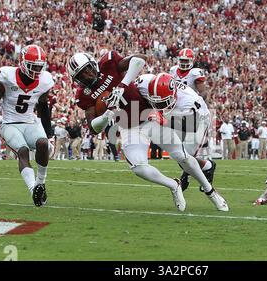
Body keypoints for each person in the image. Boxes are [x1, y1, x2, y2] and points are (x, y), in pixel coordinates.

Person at [67, 51, 189, 211]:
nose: (88, 75)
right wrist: (106, 115)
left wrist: (122, 85)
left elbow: (140, 59)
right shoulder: (84, 95)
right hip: (127, 126)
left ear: (93, 63)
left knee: (182, 155)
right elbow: (93, 128)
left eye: (88, 69)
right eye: (82, 75)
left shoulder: (108, 63)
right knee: (139, 167)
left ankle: (209, 186)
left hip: (147, 113)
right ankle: (174, 185)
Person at [133, 72, 228, 211]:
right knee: (178, 155)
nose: (159, 106)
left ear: (173, 95)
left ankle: (207, 171)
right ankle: (205, 168)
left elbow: (191, 125)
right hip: (172, 115)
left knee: (186, 157)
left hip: (196, 120)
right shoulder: (143, 82)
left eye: (163, 103)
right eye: (155, 102)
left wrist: (165, 121)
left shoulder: (189, 101)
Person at [0, 44, 54, 207]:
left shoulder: (44, 81)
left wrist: (50, 135)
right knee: (22, 151)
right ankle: (33, 190)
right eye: (33, 66)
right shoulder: (7, 76)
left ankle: (40, 183)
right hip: (10, 124)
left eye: (39, 67)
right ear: (22, 63)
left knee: (43, 144)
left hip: (30, 122)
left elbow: (43, 108)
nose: (36, 71)